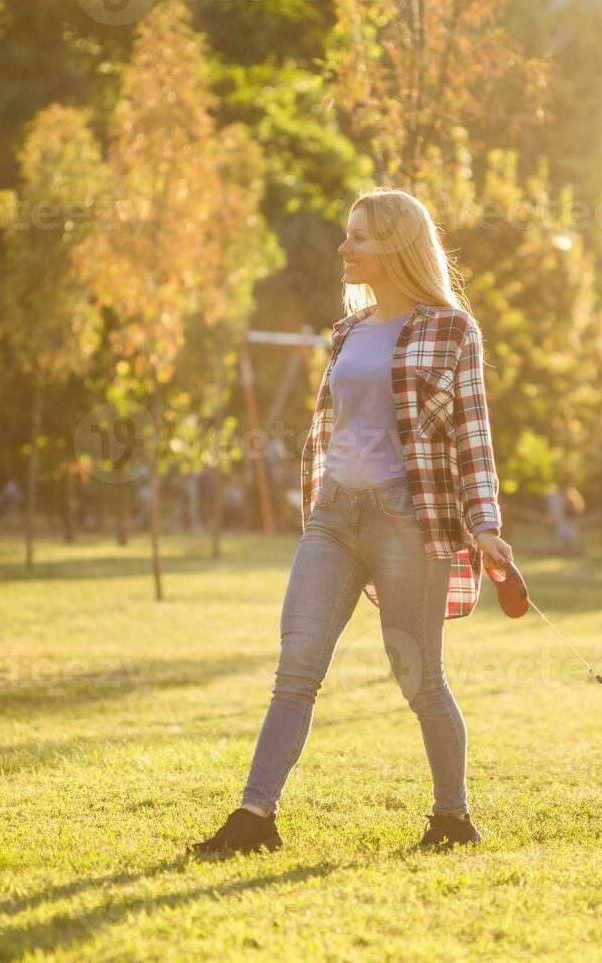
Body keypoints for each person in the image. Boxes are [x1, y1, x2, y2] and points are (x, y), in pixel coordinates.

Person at [190, 188, 513, 857]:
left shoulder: (452, 331)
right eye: (347, 235)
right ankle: (255, 818)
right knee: (296, 666)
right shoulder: (347, 332)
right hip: (333, 518)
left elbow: (472, 437)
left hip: (408, 523)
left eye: (359, 237)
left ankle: (451, 818)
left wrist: (484, 525)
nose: (346, 247)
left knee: (421, 680)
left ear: (396, 244)